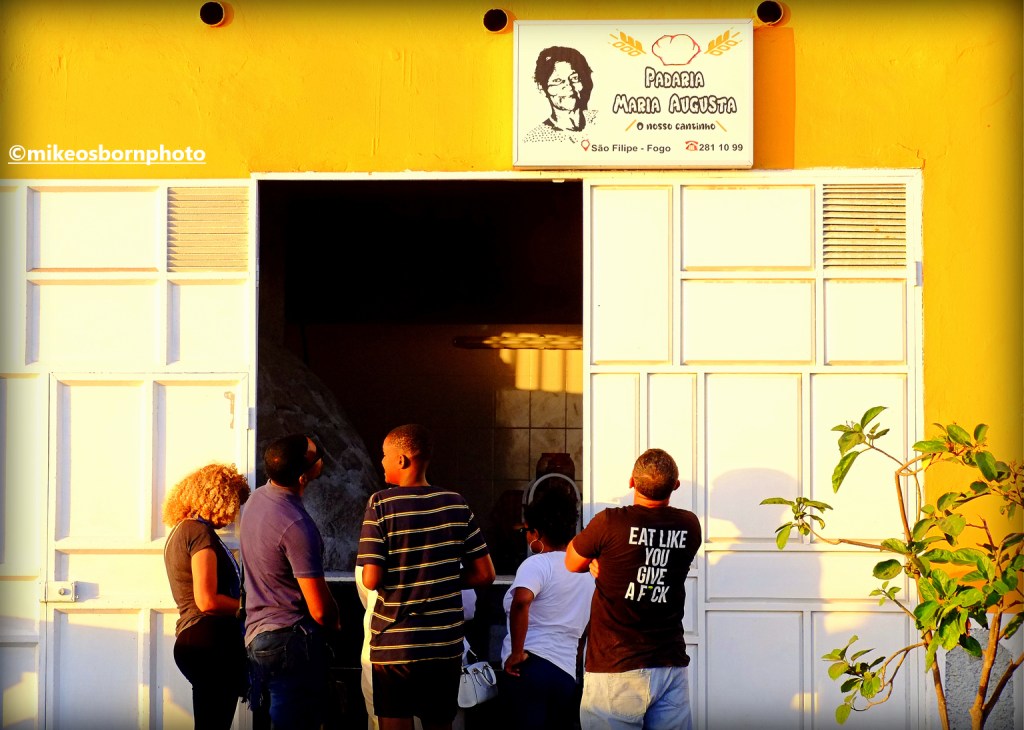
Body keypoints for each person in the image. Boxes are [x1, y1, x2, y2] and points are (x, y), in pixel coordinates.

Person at [357, 424, 496, 730]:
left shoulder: (381, 504)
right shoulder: (456, 503)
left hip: (396, 645)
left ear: (403, 460)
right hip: (444, 644)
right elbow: (485, 574)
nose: (381, 462)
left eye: (384, 455)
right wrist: (442, 577)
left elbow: (370, 578)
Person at [565, 449, 703, 730]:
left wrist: (600, 560)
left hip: (616, 667)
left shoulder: (609, 522)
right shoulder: (689, 525)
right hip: (670, 666)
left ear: (631, 482)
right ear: (675, 486)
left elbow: (571, 562)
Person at [240, 433, 341, 730]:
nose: (321, 456)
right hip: (290, 641)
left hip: (257, 638)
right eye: (316, 454)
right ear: (303, 475)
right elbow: (320, 608)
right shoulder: (297, 525)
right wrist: (336, 623)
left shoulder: (256, 499)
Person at [162, 463, 251, 730]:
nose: (235, 512)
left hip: (196, 639)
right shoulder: (198, 532)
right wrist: (250, 607)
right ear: (220, 497)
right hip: (210, 641)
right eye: (234, 502)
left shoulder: (180, 531)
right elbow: (207, 601)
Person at [499, 487, 595, 730]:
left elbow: (521, 602)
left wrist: (517, 653)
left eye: (527, 531)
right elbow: (586, 627)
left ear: (537, 533)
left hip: (529, 669)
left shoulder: (537, 564)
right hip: (564, 674)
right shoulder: (586, 573)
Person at [355, 567, 478, 730]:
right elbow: (469, 607)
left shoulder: (373, 550)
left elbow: (368, 595)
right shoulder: (446, 549)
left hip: (384, 654)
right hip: (437, 653)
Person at [522, 45, 597, 144]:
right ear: (542, 88)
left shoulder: (600, 120)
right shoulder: (535, 139)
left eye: (574, 78)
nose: (569, 86)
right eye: (558, 81)